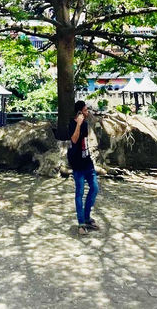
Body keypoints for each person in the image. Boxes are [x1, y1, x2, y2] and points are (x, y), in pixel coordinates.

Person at [68, 100, 99, 235]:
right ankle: (81, 223)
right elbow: (74, 140)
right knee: (79, 193)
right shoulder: (71, 124)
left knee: (94, 188)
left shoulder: (86, 124)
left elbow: (84, 142)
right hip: (77, 164)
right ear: (80, 112)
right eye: (85, 110)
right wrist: (78, 124)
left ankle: (87, 217)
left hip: (87, 162)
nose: (87, 112)